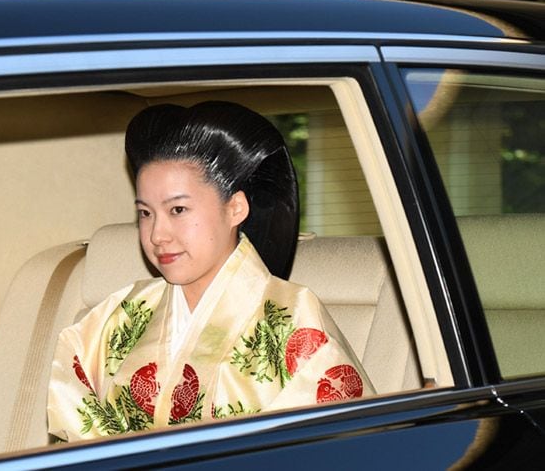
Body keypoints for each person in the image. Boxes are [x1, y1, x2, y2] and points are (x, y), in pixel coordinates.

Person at [47, 101, 375, 442]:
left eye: (178, 209)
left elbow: (334, 446)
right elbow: (74, 407)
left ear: (235, 208)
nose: (158, 234)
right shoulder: (120, 316)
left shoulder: (294, 323)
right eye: (145, 213)